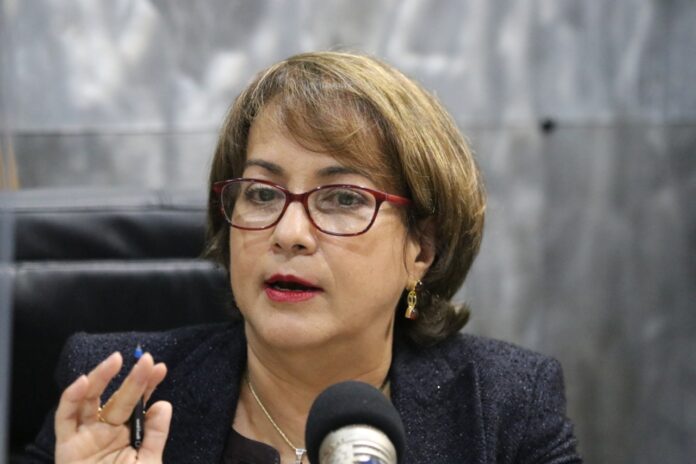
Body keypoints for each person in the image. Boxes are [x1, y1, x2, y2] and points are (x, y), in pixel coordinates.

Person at [19, 51, 581, 463]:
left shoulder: (504, 405)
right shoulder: (117, 398)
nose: (289, 233)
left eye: (343, 199)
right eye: (262, 194)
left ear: (422, 249)